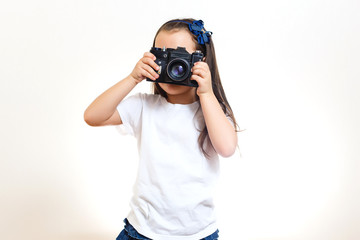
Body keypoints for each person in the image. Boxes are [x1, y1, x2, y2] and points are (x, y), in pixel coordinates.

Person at [84, 18, 239, 240]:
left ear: (201, 61)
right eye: (162, 56)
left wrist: (206, 93)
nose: (172, 66)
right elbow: (92, 116)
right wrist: (132, 78)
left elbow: (226, 148)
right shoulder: (144, 106)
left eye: (180, 58)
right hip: (142, 229)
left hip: (198, 233)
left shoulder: (211, 112)